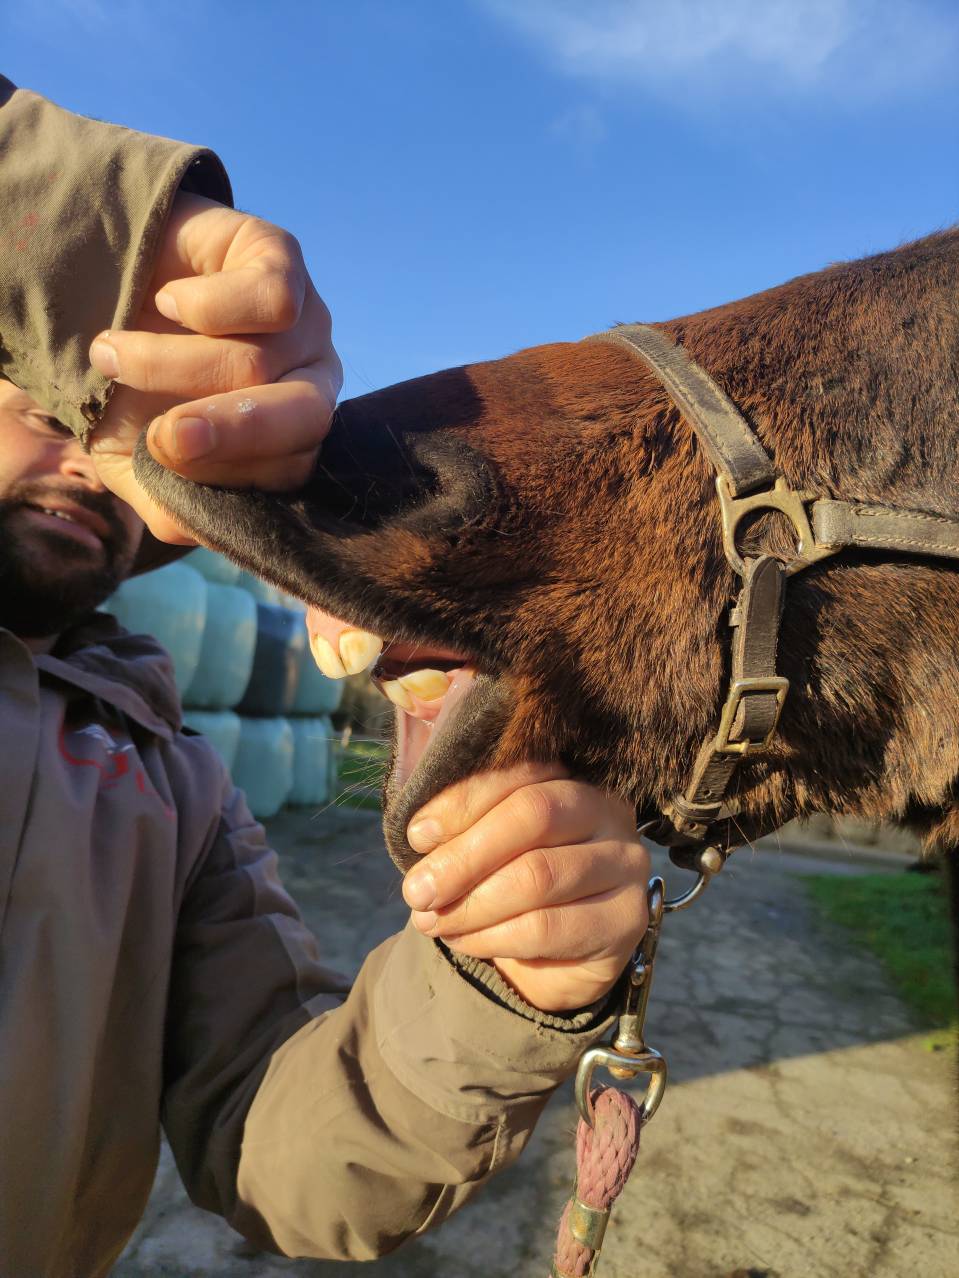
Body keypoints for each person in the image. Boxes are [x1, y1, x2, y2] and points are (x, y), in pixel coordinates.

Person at [0, 78, 650, 1275]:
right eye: (48, 409)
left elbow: (272, 1149)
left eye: (119, 441)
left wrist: (496, 987)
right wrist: (115, 235)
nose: (95, 466)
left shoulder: (176, 785)